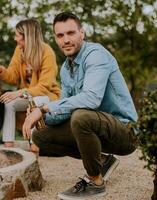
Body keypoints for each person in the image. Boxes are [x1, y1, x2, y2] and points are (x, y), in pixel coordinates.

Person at [22, 12, 138, 200]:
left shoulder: (96, 55)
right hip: (97, 128)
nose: (66, 40)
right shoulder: (67, 69)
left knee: (81, 117)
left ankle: (95, 182)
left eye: (71, 33)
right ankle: (101, 161)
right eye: (60, 35)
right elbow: (64, 111)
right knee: (41, 137)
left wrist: (43, 108)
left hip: (125, 131)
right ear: (56, 39)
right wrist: (42, 116)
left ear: (82, 33)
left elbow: (91, 99)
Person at [0, 19, 60, 147]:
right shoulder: (19, 50)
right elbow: (12, 77)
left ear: (27, 36)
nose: (15, 38)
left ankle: (35, 145)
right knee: (9, 103)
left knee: (37, 101)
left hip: (48, 96)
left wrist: (20, 92)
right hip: (28, 96)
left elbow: (44, 87)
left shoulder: (47, 52)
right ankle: (9, 146)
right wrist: (0, 70)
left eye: (17, 35)